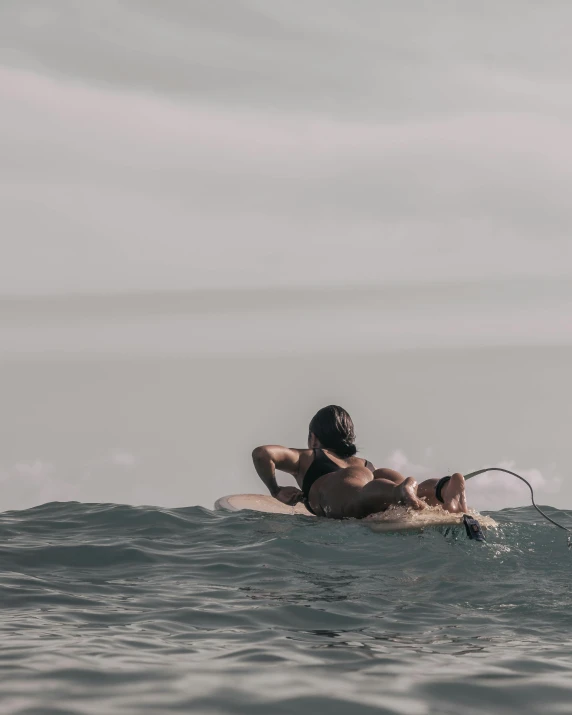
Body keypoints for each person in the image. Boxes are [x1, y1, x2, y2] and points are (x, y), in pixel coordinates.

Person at [252, 405, 468, 519]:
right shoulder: (361, 462)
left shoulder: (308, 457)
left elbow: (262, 453)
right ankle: (442, 488)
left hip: (349, 484)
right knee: (417, 493)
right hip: (373, 473)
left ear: (314, 437)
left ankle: (401, 490)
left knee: (358, 501)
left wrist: (275, 490)